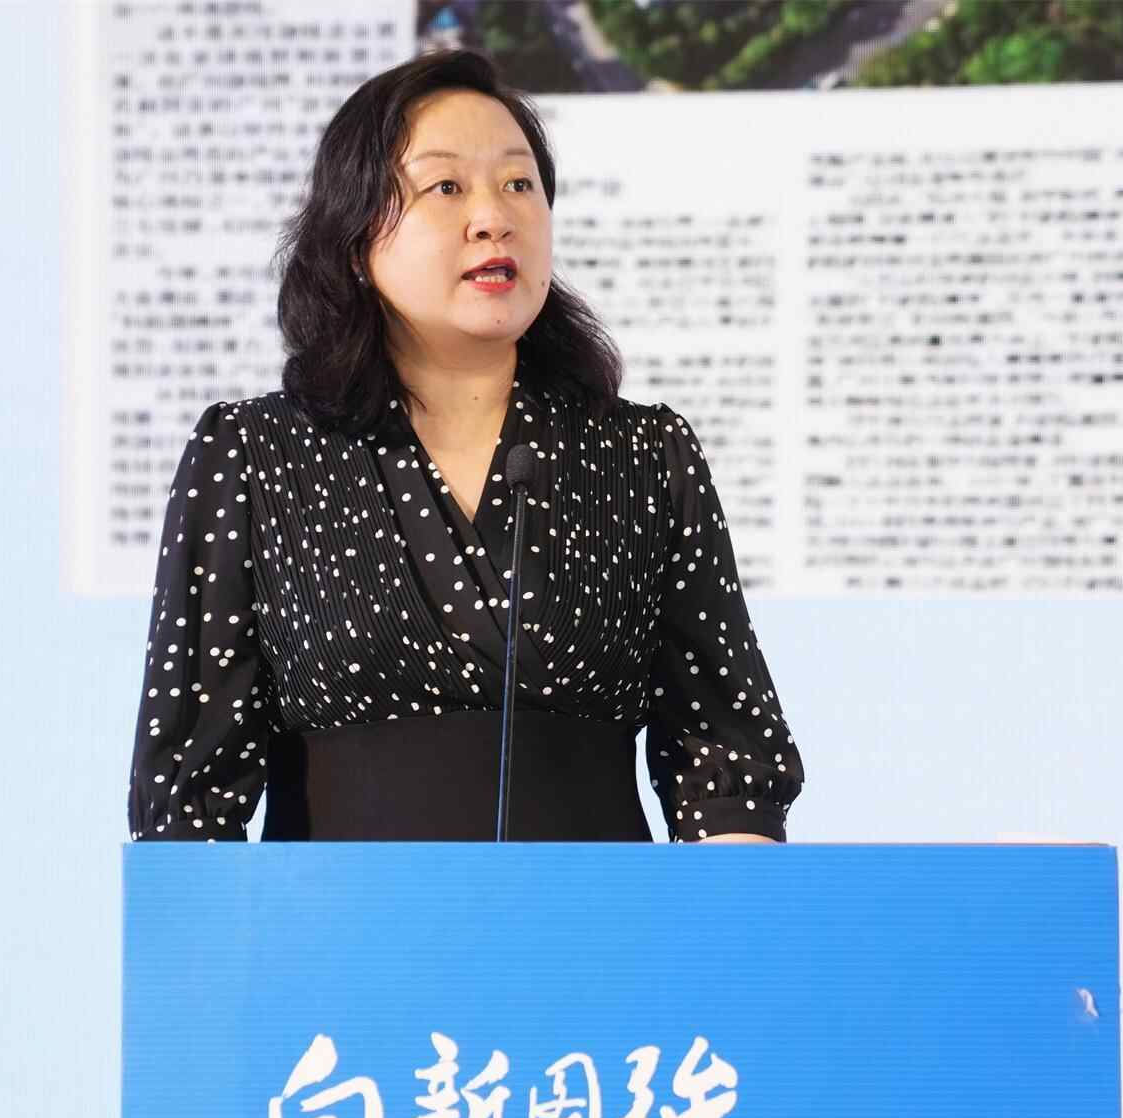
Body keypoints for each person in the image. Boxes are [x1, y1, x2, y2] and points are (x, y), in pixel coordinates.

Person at [128, 50, 801, 843]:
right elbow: (188, 799)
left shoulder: (645, 456)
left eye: (519, 184)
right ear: (356, 235)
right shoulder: (254, 455)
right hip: (339, 923)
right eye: (446, 187)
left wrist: (727, 906)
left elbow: (727, 764)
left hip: (596, 921)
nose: (494, 217)